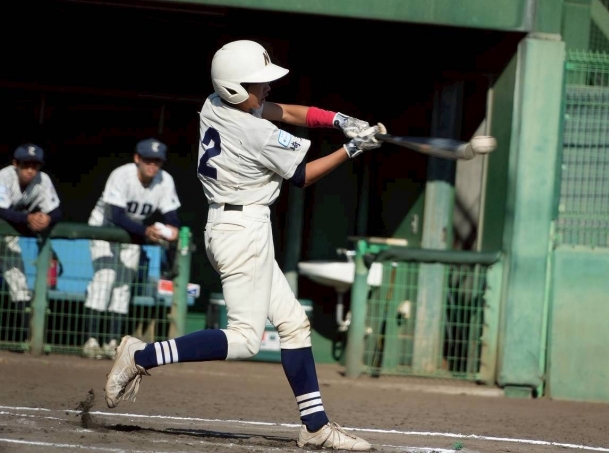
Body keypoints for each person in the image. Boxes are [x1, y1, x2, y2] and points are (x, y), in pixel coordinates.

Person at [104, 40, 383, 450]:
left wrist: (341, 120)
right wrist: (352, 148)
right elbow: (302, 176)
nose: (267, 87)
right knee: (246, 338)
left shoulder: (215, 103)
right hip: (242, 230)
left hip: (234, 223)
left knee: (293, 323)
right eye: (258, 83)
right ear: (235, 87)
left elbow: (287, 111)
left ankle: (315, 426)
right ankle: (142, 355)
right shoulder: (255, 131)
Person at [83, 138, 181, 360]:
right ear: (137, 158)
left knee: (123, 285)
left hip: (134, 232)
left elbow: (171, 214)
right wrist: (146, 231)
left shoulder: (165, 180)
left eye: (157, 161)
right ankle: (91, 340)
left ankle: (112, 343)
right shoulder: (121, 175)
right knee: (105, 279)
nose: (152, 165)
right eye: (148, 159)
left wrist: (173, 228)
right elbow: (115, 215)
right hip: (104, 228)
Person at [0, 144, 62, 340]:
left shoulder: (42, 180)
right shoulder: (4, 177)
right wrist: (28, 218)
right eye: (26, 165)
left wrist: (47, 219)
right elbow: (1, 210)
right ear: (15, 164)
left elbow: (56, 211)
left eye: (34, 166)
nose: (30, 170)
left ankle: (27, 340)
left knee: (20, 285)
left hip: (6, 238)